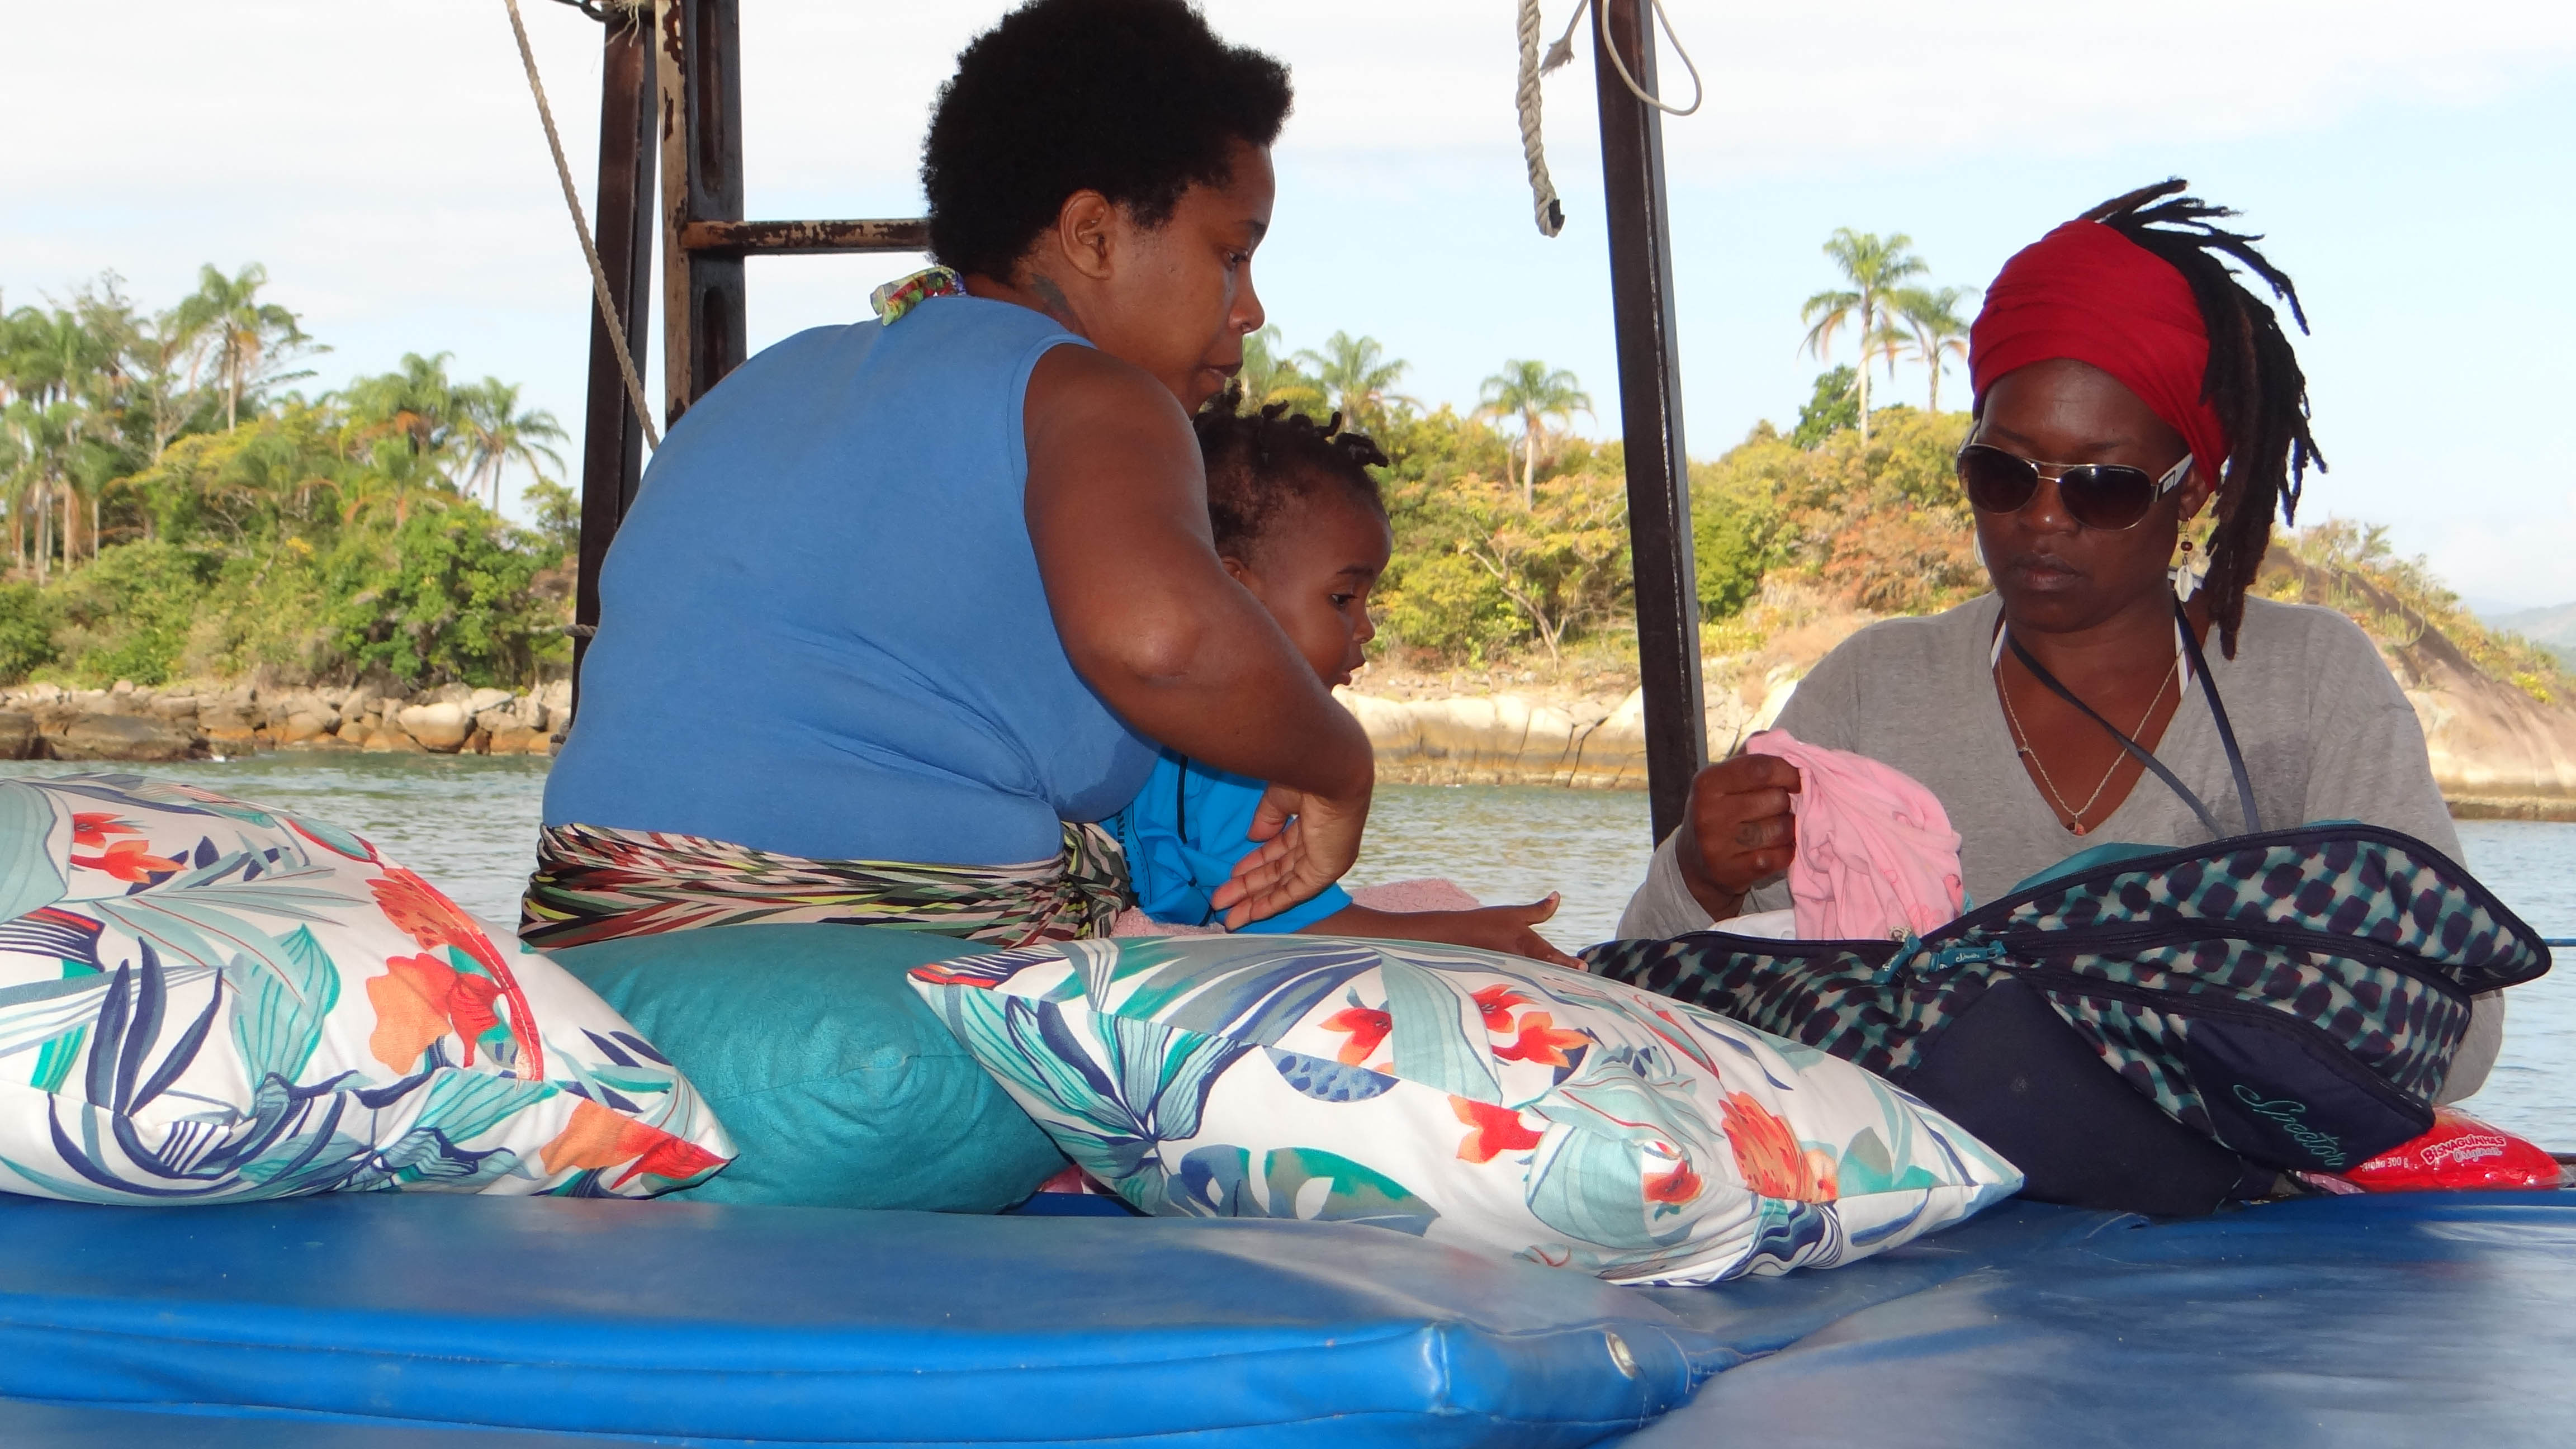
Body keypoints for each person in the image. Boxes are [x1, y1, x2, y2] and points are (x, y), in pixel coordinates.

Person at [1619, 180, 2503, 1100]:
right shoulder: (1871, 692)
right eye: (2002, 474)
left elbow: (2459, 1025)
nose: (2042, 519)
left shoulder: (2308, 685)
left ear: (2191, 493)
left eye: (2100, 487)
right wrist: (1702, 877)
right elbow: (1665, 1008)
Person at [527, 0, 1372, 950]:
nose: (1249, 308)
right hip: (843, 963)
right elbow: (1159, 643)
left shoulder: (774, 376)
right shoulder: (1095, 394)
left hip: (589, 931)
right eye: (1231, 254)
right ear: (1092, 236)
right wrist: (1341, 766)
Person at [1111, 404, 1578, 965]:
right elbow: (1285, 919)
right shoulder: (1234, 740)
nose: (1367, 628)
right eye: (1342, 599)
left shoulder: (1152, 703)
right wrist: (1472, 931)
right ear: (1234, 591)